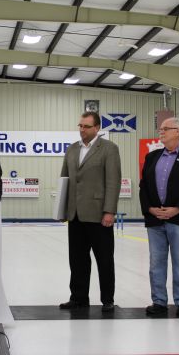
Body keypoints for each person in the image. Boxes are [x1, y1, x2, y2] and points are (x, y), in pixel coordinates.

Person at [139, 117, 179, 317]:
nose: (161, 132)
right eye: (160, 129)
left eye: (166, 129)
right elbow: (144, 188)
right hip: (155, 219)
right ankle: (159, 301)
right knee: (156, 262)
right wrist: (149, 209)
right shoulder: (153, 157)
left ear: (178, 132)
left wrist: (177, 209)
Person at [59, 111, 121, 312]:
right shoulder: (71, 150)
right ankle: (78, 297)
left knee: (104, 259)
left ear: (96, 128)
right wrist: (62, 209)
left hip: (98, 215)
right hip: (75, 214)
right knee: (77, 260)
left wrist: (109, 211)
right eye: (80, 126)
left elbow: (113, 182)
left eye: (86, 126)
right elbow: (65, 181)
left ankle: (107, 299)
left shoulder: (109, 149)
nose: (82, 130)